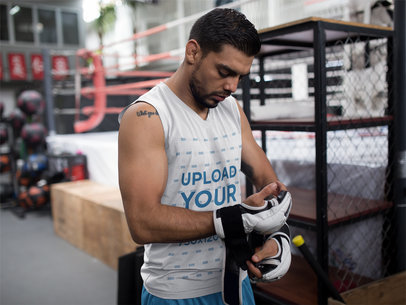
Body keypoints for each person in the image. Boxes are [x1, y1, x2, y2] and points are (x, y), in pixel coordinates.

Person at [118, 8, 292, 305]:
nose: (232, 86)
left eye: (240, 76)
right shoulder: (148, 116)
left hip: (236, 282)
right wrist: (236, 218)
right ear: (193, 52)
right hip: (175, 292)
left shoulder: (231, 110)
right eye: (224, 72)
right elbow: (142, 222)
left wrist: (279, 238)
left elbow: (269, 184)